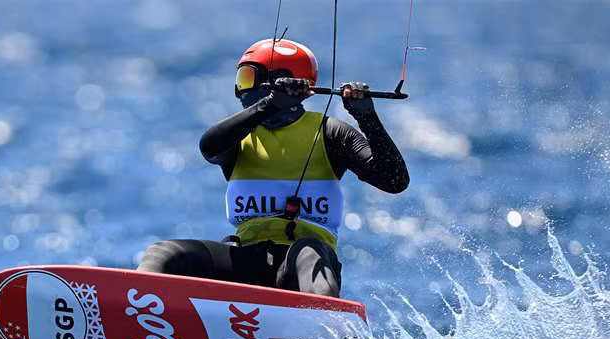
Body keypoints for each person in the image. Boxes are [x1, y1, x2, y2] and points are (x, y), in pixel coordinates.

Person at [137, 38, 409, 298]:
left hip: (299, 268)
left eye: (247, 79)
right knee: (164, 252)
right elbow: (209, 147)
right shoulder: (240, 134)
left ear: (279, 81)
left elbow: (394, 181)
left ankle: (323, 321)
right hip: (245, 261)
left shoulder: (329, 132)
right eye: (240, 79)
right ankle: (134, 307)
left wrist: (366, 116)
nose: (240, 90)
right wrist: (270, 105)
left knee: (311, 251)